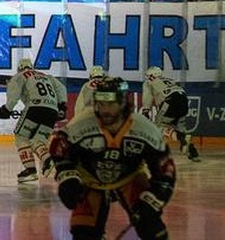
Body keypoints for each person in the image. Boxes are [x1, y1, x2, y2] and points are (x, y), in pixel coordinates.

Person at [51, 76, 176, 240]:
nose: (105, 110)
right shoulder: (82, 123)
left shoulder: (145, 129)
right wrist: (68, 178)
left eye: (111, 104)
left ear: (123, 103)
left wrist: (152, 201)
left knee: (151, 227)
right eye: (101, 103)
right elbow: (59, 147)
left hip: (129, 179)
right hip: (90, 181)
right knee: (83, 234)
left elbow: (165, 170)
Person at [0, 57, 64, 182]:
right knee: (37, 140)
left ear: (19, 68)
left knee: (21, 136)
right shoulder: (46, 76)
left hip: (34, 108)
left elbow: (13, 94)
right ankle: (47, 159)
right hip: (52, 110)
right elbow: (61, 88)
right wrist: (62, 106)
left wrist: (7, 109)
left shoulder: (20, 76)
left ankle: (30, 170)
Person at [143, 66, 199, 162]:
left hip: (169, 101)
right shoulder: (170, 80)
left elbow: (147, 97)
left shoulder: (149, 82)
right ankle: (191, 151)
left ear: (150, 75)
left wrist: (146, 111)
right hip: (183, 100)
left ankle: (182, 138)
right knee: (180, 127)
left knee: (158, 128)